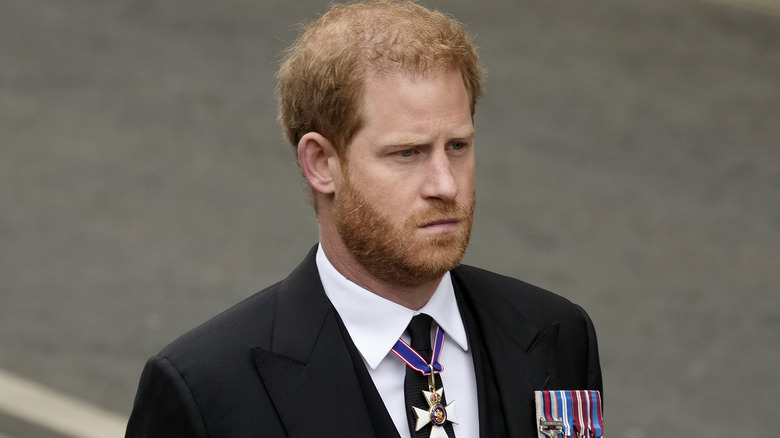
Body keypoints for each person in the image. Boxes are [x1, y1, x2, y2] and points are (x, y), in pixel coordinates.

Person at [125, 1, 602, 437]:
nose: (446, 184)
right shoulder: (209, 391)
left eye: (457, 146)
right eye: (407, 152)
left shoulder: (556, 334)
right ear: (321, 164)